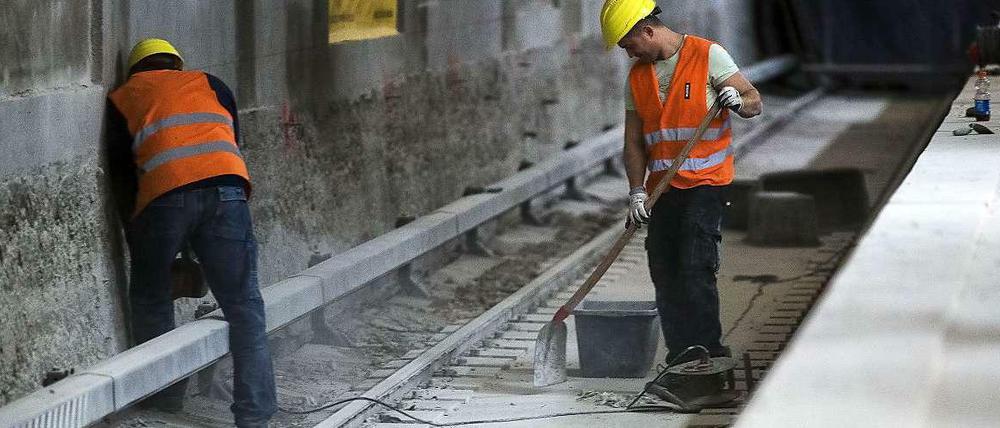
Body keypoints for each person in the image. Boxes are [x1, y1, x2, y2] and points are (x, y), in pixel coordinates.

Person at [107, 38, 276, 427]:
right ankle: (255, 416)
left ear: (136, 70)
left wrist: (144, 247)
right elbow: (228, 144)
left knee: (151, 297)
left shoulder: (123, 97)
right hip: (227, 191)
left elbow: (123, 178)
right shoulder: (212, 84)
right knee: (244, 306)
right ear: (178, 65)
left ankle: (166, 398)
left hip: (163, 197)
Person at [599, 0, 763, 364]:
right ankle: (681, 358)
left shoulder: (708, 55)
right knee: (664, 268)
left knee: (694, 264)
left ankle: (708, 354)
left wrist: (736, 100)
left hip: (707, 182)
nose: (628, 54)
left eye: (628, 45)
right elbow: (634, 142)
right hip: (663, 189)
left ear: (646, 30)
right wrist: (636, 190)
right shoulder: (638, 78)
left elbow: (755, 102)